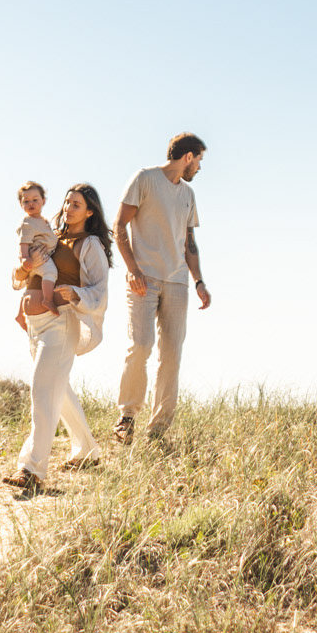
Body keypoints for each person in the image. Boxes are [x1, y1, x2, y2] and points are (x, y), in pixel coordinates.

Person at [5, 183, 111, 494]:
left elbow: (99, 290)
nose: (68, 208)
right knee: (58, 391)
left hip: (61, 324)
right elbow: (20, 276)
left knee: (42, 390)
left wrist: (74, 293)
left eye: (76, 204)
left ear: (89, 212)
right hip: (35, 325)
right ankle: (87, 452)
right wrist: (24, 268)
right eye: (67, 203)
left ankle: (31, 469)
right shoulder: (50, 235)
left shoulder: (90, 245)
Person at [113, 132, 211, 446]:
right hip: (143, 278)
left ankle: (158, 430)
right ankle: (127, 417)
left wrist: (198, 281)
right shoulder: (144, 179)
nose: (199, 168)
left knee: (171, 356)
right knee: (141, 345)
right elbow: (119, 226)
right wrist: (132, 269)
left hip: (177, 282)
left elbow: (189, 243)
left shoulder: (188, 195)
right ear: (188, 157)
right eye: (199, 160)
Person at [12, 180, 58, 332]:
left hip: (41, 256)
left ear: (43, 201)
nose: (30, 203)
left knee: (31, 281)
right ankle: (47, 299)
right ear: (21, 204)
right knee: (50, 273)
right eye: (26, 201)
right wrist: (25, 257)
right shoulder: (27, 222)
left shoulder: (44, 221)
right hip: (37, 257)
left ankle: (20, 314)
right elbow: (23, 242)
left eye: (35, 200)